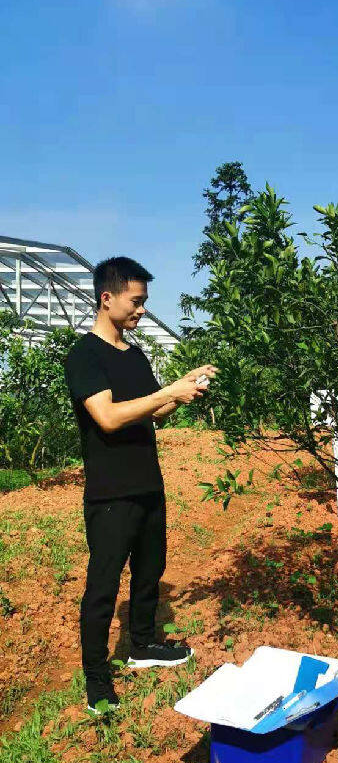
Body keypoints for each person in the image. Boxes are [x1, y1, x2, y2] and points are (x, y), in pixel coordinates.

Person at [64, 256, 217, 714]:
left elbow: (152, 410)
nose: (142, 311)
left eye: (145, 303)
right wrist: (166, 392)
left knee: (150, 570)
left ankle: (143, 644)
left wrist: (182, 388)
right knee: (103, 586)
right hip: (111, 494)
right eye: (136, 302)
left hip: (148, 483)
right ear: (106, 298)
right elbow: (108, 417)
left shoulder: (134, 354)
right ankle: (97, 679)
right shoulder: (85, 356)